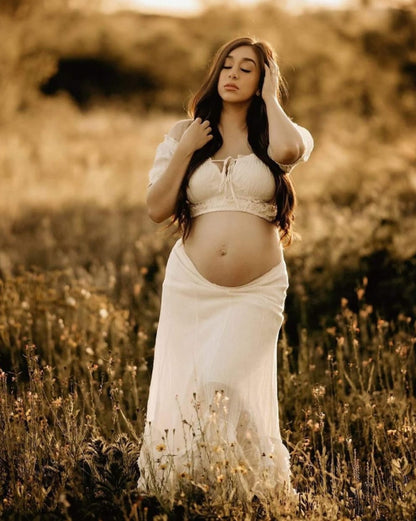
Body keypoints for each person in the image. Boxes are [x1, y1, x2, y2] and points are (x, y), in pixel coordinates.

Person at [137, 36, 314, 505]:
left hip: (256, 290)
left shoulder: (275, 131)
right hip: (191, 287)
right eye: (227, 66)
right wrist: (185, 148)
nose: (233, 75)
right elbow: (157, 209)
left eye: (248, 69)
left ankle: (251, 487)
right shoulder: (185, 132)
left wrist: (273, 100)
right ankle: (201, 493)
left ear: (264, 80)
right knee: (193, 389)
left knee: (224, 381)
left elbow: (290, 152)